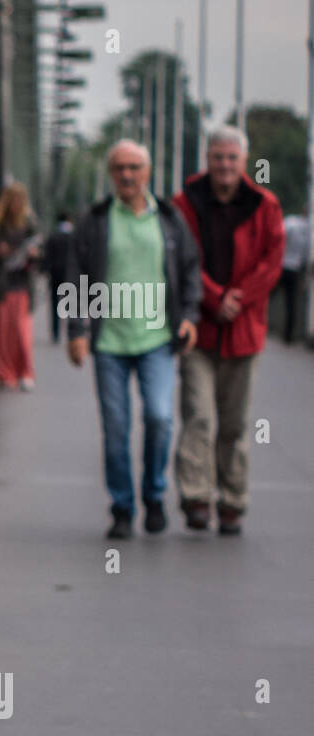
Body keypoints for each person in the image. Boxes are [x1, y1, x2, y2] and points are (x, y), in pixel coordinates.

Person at [65, 140, 200, 539]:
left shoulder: (171, 219)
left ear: (148, 171)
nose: (127, 175)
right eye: (120, 167)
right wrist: (77, 330)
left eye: (134, 167)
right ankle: (122, 507)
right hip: (109, 343)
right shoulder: (95, 220)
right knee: (117, 427)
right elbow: (78, 276)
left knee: (160, 418)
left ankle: (154, 495)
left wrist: (190, 317)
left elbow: (191, 270)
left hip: (158, 339)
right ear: (111, 174)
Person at [171, 126, 285, 535]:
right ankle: (196, 495)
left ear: (244, 162)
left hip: (244, 329)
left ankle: (233, 498)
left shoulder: (264, 205)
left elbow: (273, 261)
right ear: (207, 159)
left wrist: (239, 298)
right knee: (198, 416)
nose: (224, 165)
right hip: (198, 329)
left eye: (231, 158)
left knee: (235, 422)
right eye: (217, 157)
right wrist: (214, 297)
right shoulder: (184, 205)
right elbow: (179, 258)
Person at [0, 182, 40, 390]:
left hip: (22, 285)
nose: (16, 204)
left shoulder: (28, 225)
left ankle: (24, 371)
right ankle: (6, 373)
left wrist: (33, 256)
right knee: (2, 333)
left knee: (22, 332)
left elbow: (37, 255)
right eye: (13, 200)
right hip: (2, 287)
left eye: (19, 200)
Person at [43, 211, 76, 343]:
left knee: (55, 304)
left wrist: (44, 269)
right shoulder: (73, 236)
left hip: (55, 273)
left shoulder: (53, 236)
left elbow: (47, 256)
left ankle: (56, 332)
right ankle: (71, 331)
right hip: (70, 275)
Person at [278, 205, 309, 344]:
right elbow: (306, 256)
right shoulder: (310, 232)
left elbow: (278, 237)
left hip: (281, 265)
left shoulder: (291, 222)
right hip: (295, 269)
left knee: (264, 295)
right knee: (291, 303)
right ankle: (288, 336)